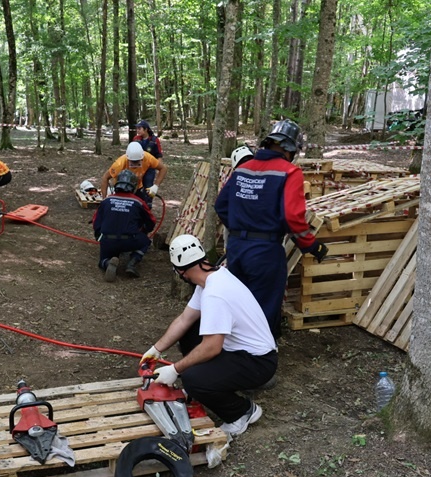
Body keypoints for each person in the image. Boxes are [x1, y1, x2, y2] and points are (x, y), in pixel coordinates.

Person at [140, 234, 278, 437]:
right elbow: (184, 320)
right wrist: (156, 349)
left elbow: (212, 347)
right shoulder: (211, 279)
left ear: (180, 270)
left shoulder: (215, 293)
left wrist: (176, 370)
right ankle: (209, 383)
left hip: (258, 362)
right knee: (189, 333)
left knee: (193, 379)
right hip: (239, 351)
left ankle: (242, 412)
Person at [215, 119, 328, 338]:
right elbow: (293, 216)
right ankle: (259, 357)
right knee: (264, 307)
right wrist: (310, 245)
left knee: (237, 302)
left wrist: (240, 226)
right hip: (265, 251)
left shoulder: (243, 169)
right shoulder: (290, 172)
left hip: (236, 248)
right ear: (291, 150)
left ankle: (232, 350)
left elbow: (221, 205)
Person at [92, 170, 156, 280]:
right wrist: (144, 230)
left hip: (108, 241)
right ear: (134, 186)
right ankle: (132, 262)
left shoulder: (106, 201)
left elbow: (96, 221)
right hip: (130, 241)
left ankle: (107, 263)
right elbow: (151, 221)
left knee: (102, 260)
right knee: (145, 242)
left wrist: (99, 236)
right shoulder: (138, 202)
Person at [100, 141, 167, 207]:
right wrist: (104, 199)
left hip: (137, 188)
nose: (135, 165)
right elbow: (105, 178)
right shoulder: (119, 164)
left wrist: (156, 186)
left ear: (142, 158)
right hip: (121, 190)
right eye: (133, 162)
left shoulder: (148, 158)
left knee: (142, 209)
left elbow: (163, 168)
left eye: (137, 162)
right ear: (128, 158)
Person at [132, 120, 163, 198]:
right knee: (136, 187)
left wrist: (159, 167)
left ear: (146, 129)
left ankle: (148, 206)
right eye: (137, 128)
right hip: (137, 167)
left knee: (148, 187)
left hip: (150, 168)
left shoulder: (154, 140)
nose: (137, 130)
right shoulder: (136, 139)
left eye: (139, 128)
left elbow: (159, 155)